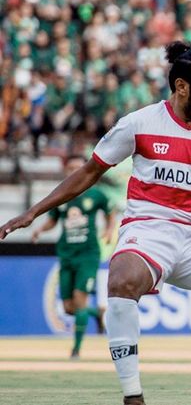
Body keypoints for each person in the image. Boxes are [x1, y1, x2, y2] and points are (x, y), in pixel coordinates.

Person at [0, 41, 191, 405]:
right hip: (148, 230)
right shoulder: (139, 123)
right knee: (121, 281)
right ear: (182, 87)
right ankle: (133, 397)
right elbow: (90, 171)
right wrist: (34, 212)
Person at [31, 153, 116, 359]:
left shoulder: (96, 194)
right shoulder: (61, 196)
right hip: (66, 254)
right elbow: (53, 219)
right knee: (69, 308)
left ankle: (76, 350)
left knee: (80, 300)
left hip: (88, 254)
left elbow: (110, 212)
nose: (74, 172)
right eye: (71, 168)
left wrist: (109, 229)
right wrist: (40, 230)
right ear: (66, 171)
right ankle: (98, 314)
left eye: (79, 167)